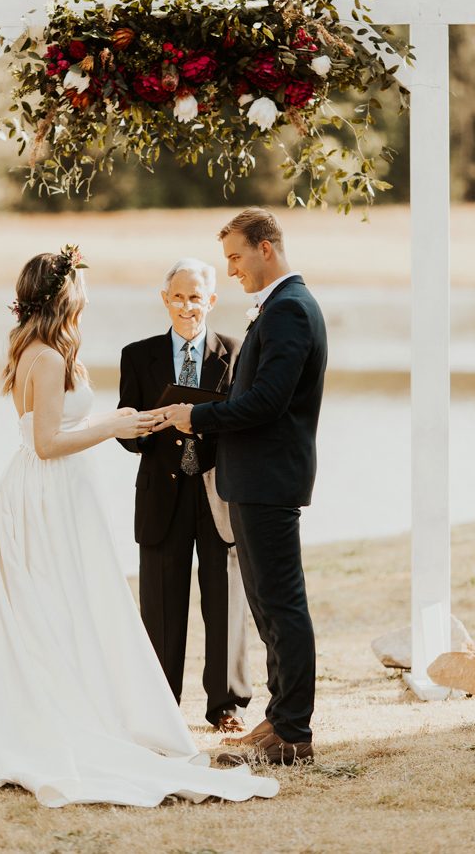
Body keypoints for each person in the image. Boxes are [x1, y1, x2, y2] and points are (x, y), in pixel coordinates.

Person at [0, 244, 277, 808]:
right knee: (56, 603)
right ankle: (59, 715)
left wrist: (119, 419)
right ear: (64, 297)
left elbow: (48, 431)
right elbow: (48, 443)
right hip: (48, 492)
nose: (87, 300)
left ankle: (57, 703)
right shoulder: (49, 359)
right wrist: (112, 426)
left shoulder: (35, 348)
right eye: (81, 291)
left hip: (43, 489)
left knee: (53, 605)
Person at [151, 209, 327, 767]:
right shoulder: (278, 308)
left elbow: (268, 402)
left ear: (266, 248)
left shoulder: (290, 311)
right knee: (266, 604)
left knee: (282, 604)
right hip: (255, 479)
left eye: (235, 257)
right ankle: (278, 717)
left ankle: (294, 733)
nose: (230, 271)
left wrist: (195, 417)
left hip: (269, 480)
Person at [117, 258, 251, 733]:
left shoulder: (236, 351)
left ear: (211, 301)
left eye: (196, 297)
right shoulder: (137, 355)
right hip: (161, 495)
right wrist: (152, 422)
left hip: (218, 493)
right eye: (178, 296)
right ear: (164, 299)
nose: (187, 306)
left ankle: (226, 706)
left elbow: (245, 422)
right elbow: (126, 433)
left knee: (225, 601)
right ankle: (160, 704)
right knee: (161, 604)